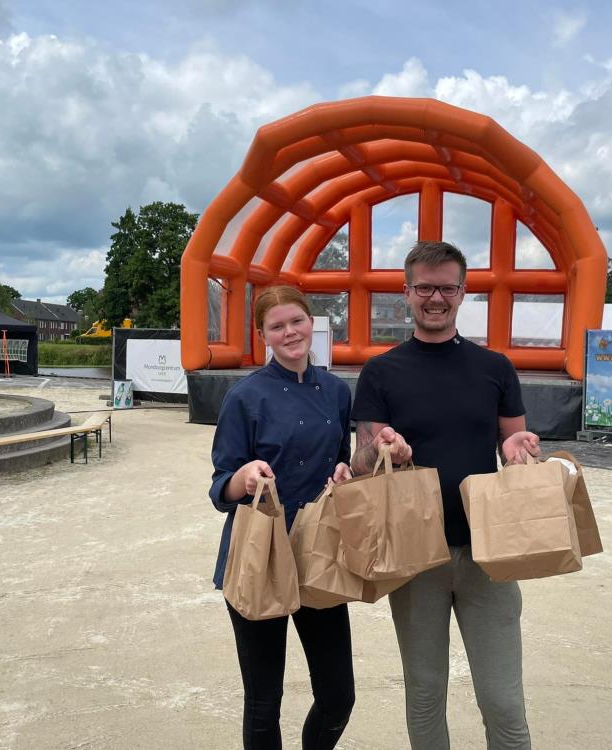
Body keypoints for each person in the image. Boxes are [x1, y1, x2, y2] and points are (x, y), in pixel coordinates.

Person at [350, 241, 540, 749]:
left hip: (487, 553)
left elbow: (515, 450)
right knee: (425, 692)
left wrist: (518, 449)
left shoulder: (495, 367)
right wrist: (383, 449)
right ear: (406, 292)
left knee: (503, 699)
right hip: (415, 556)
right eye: (425, 288)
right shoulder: (381, 372)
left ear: (463, 292)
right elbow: (362, 462)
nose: (436, 298)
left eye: (447, 288)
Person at [209, 285, 355, 750]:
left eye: (297, 321)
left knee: (338, 696)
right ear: (262, 336)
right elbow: (220, 488)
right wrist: (245, 477)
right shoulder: (245, 396)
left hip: (319, 553)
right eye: (277, 326)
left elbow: (341, 457)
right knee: (263, 700)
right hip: (260, 555)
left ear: (312, 323)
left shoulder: (337, 391)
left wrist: (344, 471)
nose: (290, 332)